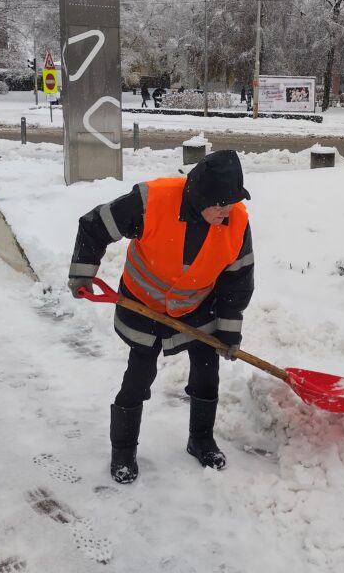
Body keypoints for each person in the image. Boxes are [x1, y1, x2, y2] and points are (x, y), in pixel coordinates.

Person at [68, 150, 254, 485]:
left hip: (197, 306)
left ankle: (201, 439)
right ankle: (123, 450)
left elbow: (237, 281)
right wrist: (83, 272)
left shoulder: (237, 221)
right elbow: (96, 225)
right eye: (220, 205)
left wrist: (228, 333)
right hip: (143, 303)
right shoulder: (152, 201)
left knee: (207, 373)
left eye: (232, 203)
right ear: (201, 196)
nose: (227, 211)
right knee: (138, 377)